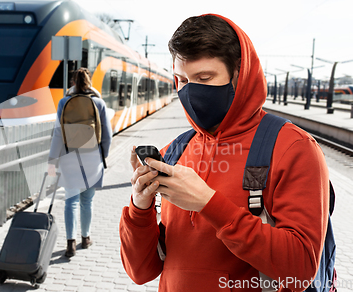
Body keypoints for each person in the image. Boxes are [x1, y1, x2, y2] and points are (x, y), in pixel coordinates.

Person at [119, 14, 329, 291]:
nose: (190, 91)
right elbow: (141, 272)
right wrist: (139, 208)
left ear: (239, 74)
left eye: (204, 78)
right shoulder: (175, 150)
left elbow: (300, 272)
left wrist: (209, 204)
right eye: (181, 80)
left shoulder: (292, 148)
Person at [48, 67, 112, 258]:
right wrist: (103, 155)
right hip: (93, 158)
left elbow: (58, 134)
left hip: (70, 158)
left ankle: (70, 244)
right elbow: (107, 135)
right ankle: (86, 238)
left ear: (73, 83)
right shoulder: (98, 103)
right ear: (89, 81)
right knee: (87, 201)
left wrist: (53, 160)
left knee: (71, 202)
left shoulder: (64, 102)